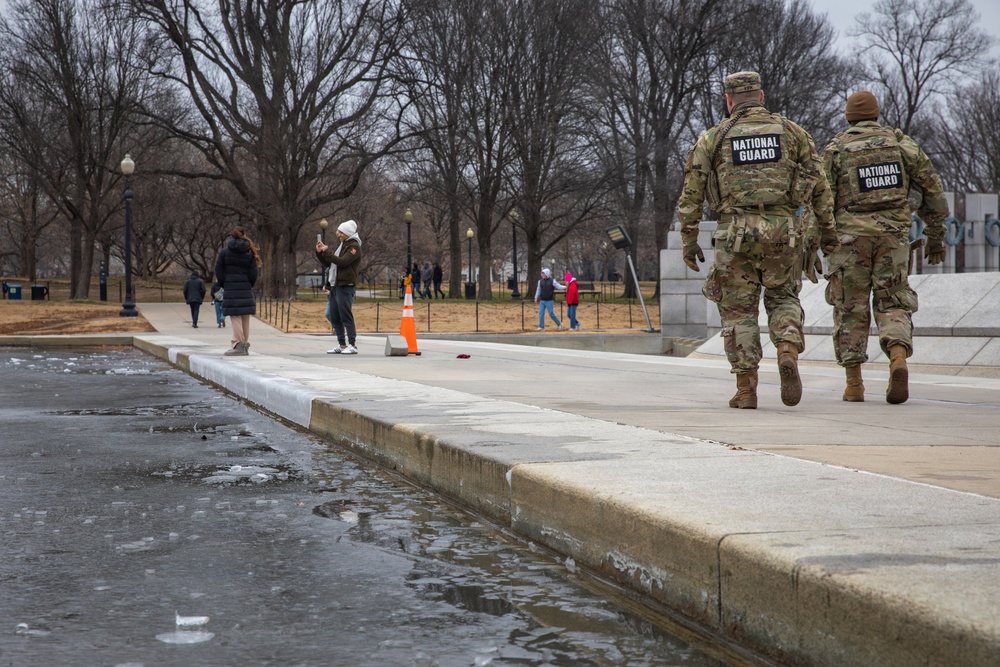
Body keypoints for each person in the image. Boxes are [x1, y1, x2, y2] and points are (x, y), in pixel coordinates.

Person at [677, 71, 838, 409]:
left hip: (735, 234)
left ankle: (746, 389)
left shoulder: (714, 137)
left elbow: (691, 192)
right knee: (783, 298)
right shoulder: (794, 133)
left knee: (738, 311)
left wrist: (689, 239)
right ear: (761, 97)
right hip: (784, 231)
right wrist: (828, 234)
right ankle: (787, 349)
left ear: (729, 100)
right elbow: (821, 188)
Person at [822, 91, 948, 405]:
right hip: (893, 239)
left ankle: (854, 385)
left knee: (850, 308)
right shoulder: (902, 145)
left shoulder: (837, 149)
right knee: (893, 302)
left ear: (848, 118)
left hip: (850, 241)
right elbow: (933, 191)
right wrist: (935, 237)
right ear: (878, 115)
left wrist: (817, 243)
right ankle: (898, 358)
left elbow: (821, 202)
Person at [316, 219, 363, 354]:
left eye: (341, 232)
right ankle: (341, 344)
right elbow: (331, 265)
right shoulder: (342, 246)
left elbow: (342, 262)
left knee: (345, 315)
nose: (339, 235)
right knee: (334, 315)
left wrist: (327, 251)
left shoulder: (354, 247)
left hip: (345, 286)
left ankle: (352, 345)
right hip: (335, 286)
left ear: (348, 233)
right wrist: (320, 252)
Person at [214, 227, 261, 356]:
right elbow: (253, 273)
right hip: (245, 287)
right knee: (245, 316)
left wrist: (224, 283)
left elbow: (218, 269)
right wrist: (248, 284)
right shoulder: (249, 252)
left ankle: (238, 343)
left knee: (235, 316)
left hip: (231, 287)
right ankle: (244, 343)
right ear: (244, 235)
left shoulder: (225, 252)